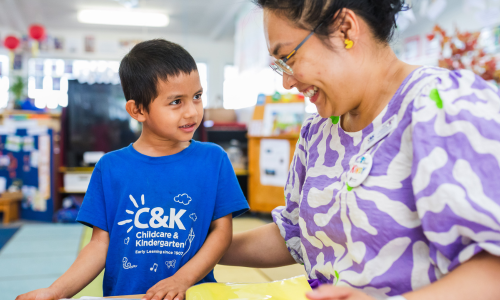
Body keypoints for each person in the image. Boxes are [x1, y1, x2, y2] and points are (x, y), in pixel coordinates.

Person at [219, 1, 500, 300]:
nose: (287, 82)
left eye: (288, 57)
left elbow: (492, 269)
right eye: (279, 66)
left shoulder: (444, 105)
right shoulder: (318, 131)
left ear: (345, 29)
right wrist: (204, 246)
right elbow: (297, 233)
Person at [17, 39, 249, 300]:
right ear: (137, 110)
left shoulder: (214, 159)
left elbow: (222, 232)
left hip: (192, 294)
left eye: (197, 97)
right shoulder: (110, 167)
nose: (192, 112)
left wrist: (182, 279)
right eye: (176, 102)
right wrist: (54, 291)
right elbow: (99, 245)